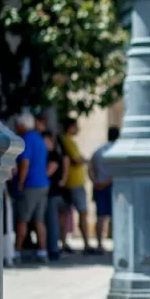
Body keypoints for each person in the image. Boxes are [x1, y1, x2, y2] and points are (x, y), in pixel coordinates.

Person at [14, 113, 51, 264]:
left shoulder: (27, 139)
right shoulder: (39, 138)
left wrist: (20, 182)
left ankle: (16, 252)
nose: (16, 128)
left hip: (31, 185)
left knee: (22, 220)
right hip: (43, 184)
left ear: (23, 126)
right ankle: (42, 252)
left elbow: (25, 163)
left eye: (17, 125)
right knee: (39, 220)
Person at [59, 118, 92, 253]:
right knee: (83, 214)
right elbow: (77, 160)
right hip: (76, 183)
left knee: (65, 215)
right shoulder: (69, 141)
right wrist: (86, 160)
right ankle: (86, 244)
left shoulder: (64, 140)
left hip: (69, 183)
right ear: (70, 127)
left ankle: (64, 242)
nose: (78, 129)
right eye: (76, 126)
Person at [89, 126, 119, 255]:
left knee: (100, 217)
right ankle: (117, 244)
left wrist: (95, 181)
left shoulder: (99, 150)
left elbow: (90, 167)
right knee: (116, 217)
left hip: (99, 186)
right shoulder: (118, 150)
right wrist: (107, 182)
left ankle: (99, 244)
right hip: (113, 187)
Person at [44, 131, 69, 261]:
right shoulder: (55, 154)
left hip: (53, 193)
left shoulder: (53, 155)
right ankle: (54, 248)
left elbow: (48, 172)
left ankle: (54, 250)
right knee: (54, 222)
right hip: (56, 192)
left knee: (52, 223)